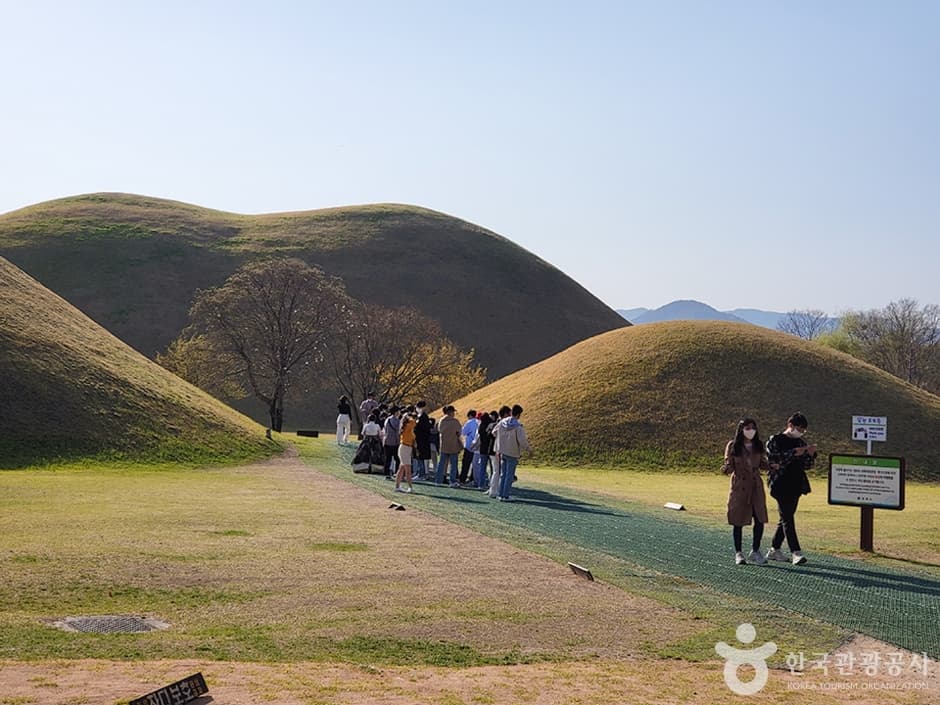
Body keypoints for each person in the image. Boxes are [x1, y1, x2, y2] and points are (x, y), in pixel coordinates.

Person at [765, 412, 817, 565]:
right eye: (799, 428)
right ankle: (796, 552)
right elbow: (773, 459)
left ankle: (774, 549)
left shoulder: (801, 442)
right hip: (779, 483)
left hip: (796, 484)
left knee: (785, 518)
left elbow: (807, 466)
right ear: (790, 425)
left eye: (803, 430)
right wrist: (793, 453)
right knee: (788, 517)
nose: (800, 432)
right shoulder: (775, 440)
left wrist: (811, 455)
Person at [722, 418, 770, 565]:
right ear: (741, 429)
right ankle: (739, 552)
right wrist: (726, 468)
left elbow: (762, 463)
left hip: (755, 484)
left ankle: (755, 551)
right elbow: (728, 464)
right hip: (739, 485)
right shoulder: (733, 445)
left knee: (760, 518)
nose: (750, 431)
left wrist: (772, 465)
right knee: (738, 519)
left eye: (753, 428)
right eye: (747, 428)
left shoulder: (758, 445)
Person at [495, 404, 530, 501]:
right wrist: (529, 449)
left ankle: (500, 493)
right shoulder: (518, 426)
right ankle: (505, 495)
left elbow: (494, 432)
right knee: (509, 475)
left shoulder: (502, 422)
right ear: (519, 414)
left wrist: (501, 440)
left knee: (503, 474)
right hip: (513, 452)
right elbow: (522, 441)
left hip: (502, 451)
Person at [488, 406, 511, 498]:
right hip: (497, 450)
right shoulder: (502, 423)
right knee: (497, 471)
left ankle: (493, 489)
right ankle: (495, 490)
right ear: (505, 414)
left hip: (494, 450)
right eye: (509, 413)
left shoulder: (497, 423)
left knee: (496, 471)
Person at [436, 405, 462, 486]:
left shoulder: (441, 421)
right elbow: (459, 432)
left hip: (443, 445)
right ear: (451, 412)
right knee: (453, 464)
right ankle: (452, 481)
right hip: (453, 445)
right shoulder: (455, 422)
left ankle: (438, 480)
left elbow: (439, 430)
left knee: (441, 464)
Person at [395, 407, 417, 493]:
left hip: (407, 448)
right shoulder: (408, 426)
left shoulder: (408, 428)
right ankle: (410, 487)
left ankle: (397, 486)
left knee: (401, 468)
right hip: (405, 448)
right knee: (408, 469)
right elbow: (413, 422)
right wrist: (413, 415)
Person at [413, 400, 432, 480]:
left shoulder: (423, 417)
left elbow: (424, 429)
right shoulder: (420, 416)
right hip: (420, 440)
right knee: (419, 457)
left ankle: (421, 474)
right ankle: (420, 473)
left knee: (420, 457)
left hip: (422, 440)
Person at [459, 409, 479, 485]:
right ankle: (472, 478)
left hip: (469, 445)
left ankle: (462, 478)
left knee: (466, 463)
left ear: (470, 415)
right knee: (475, 464)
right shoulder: (478, 422)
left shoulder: (469, 422)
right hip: (477, 446)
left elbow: (463, 432)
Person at [382, 406, 402, 479]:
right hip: (394, 442)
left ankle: (386, 474)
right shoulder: (397, 421)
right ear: (396, 412)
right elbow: (397, 432)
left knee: (388, 459)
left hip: (386, 441)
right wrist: (398, 441)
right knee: (397, 459)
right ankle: (396, 473)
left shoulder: (387, 419)